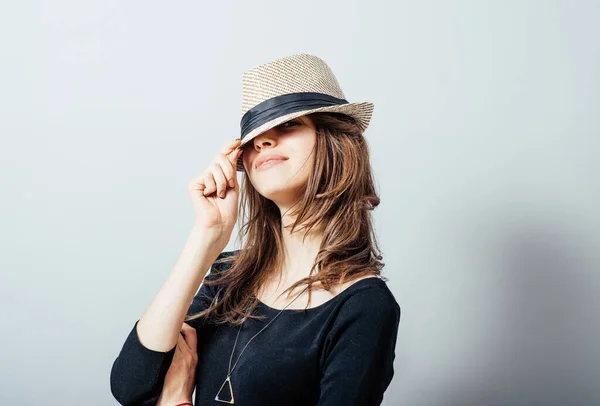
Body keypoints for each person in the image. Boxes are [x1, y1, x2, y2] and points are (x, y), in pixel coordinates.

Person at [110, 53, 401, 406]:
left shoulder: (364, 306)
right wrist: (208, 236)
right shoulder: (227, 275)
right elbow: (132, 386)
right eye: (254, 135)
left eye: (289, 125)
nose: (263, 141)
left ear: (333, 141)